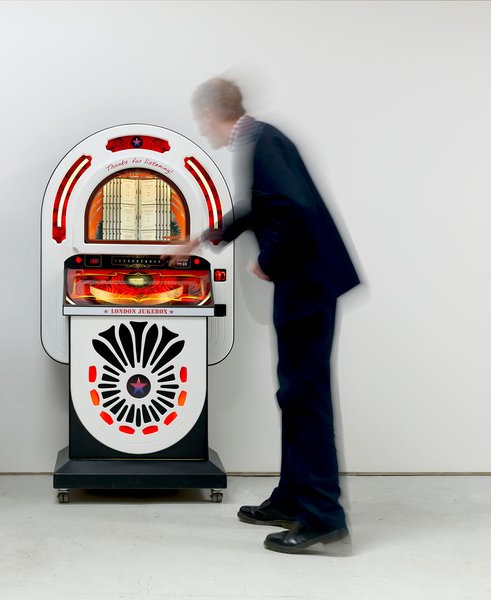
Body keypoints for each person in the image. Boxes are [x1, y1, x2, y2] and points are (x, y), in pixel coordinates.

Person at [187, 78, 360, 553]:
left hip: (307, 285)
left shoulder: (263, 143)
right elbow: (259, 207)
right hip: (305, 284)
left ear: (209, 114)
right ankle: (291, 497)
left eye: (200, 121)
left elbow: (295, 209)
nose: (203, 132)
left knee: (305, 398)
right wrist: (206, 238)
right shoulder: (260, 138)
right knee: (294, 394)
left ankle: (324, 516)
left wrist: (269, 260)